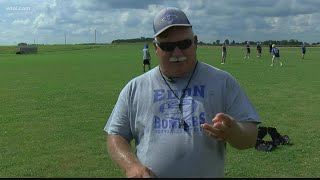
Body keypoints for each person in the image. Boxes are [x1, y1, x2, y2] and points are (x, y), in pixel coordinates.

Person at [104, 7, 261, 178]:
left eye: (184, 44)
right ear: (155, 48)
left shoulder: (222, 81)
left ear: (195, 42)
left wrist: (235, 132)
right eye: (167, 46)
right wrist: (131, 166)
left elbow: (251, 136)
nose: (177, 53)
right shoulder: (135, 87)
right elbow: (116, 135)